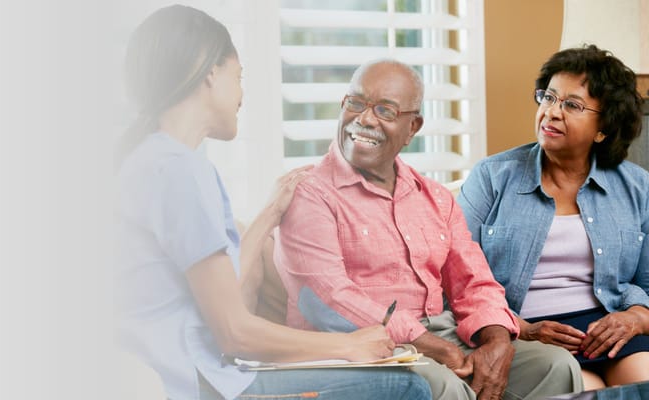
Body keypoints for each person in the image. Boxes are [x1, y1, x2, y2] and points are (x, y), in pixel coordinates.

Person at [116, 5, 431, 400]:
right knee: (404, 388)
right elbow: (233, 332)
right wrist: (347, 346)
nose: (242, 95)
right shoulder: (179, 170)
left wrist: (267, 215)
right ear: (210, 72)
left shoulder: (158, 159)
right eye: (239, 76)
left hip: (202, 374)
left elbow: (221, 293)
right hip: (196, 384)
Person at [273, 59, 583, 400]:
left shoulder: (433, 197)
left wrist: (496, 340)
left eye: (385, 111)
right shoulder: (309, 193)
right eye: (355, 103)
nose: (363, 119)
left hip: (443, 334)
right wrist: (433, 347)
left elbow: (473, 281)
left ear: (413, 127)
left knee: (556, 365)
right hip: (364, 348)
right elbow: (328, 302)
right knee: (442, 385)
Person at [457, 44, 649, 390]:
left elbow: (648, 284)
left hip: (607, 328)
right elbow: (456, 278)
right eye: (548, 97)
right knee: (585, 389)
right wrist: (521, 327)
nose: (551, 112)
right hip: (525, 328)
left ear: (603, 128)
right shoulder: (492, 177)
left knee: (644, 381)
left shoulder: (637, 186)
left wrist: (635, 317)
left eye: (571, 105)